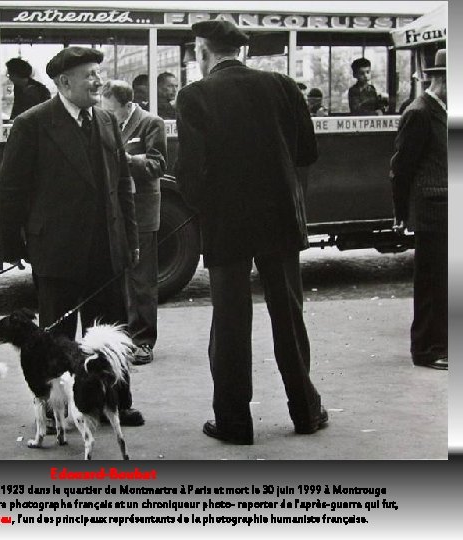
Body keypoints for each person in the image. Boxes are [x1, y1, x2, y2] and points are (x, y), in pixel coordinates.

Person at [175, 20, 325, 445]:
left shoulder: (195, 96)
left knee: (230, 322)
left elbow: (188, 173)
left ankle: (234, 423)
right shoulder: (281, 86)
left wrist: (209, 205)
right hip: (279, 220)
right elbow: (307, 152)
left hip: (227, 226)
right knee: (289, 316)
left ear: (203, 52)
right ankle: (306, 412)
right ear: (239, 51)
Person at [0, 46, 144, 427]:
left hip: (106, 249)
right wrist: (12, 246)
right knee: (57, 340)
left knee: (109, 336)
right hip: (57, 251)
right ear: (64, 82)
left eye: (98, 73)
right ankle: (56, 409)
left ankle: (115, 403)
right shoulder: (33, 124)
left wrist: (130, 240)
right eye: (89, 75)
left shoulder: (109, 122)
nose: (98, 81)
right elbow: (10, 190)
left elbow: (123, 186)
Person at [101, 80, 167, 365]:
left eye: (112, 111)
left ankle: (143, 342)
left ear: (127, 106)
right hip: (115, 214)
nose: (108, 116)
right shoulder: (104, 123)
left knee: (142, 281)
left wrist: (126, 159)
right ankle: (121, 338)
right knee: (118, 279)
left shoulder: (151, 123)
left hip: (141, 212)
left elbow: (157, 165)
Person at [390, 49, 448, 371]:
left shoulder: (444, 110)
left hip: (448, 212)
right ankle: (426, 349)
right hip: (432, 214)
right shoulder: (420, 112)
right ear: (442, 79)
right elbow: (401, 168)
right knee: (432, 283)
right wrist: (401, 213)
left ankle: (441, 343)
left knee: (446, 283)